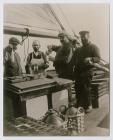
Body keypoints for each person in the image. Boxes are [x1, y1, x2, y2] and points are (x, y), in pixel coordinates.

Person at [72, 31, 100, 113]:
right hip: (78, 72)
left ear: (89, 36)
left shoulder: (94, 47)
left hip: (87, 71)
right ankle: (79, 104)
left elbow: (98, 58)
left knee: (86, 88)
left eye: (84, 37)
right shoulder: (79, 49)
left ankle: (88, 105)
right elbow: (73, 60)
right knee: (77, 87)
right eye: (81, 37)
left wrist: (91, 59)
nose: (83, 38)